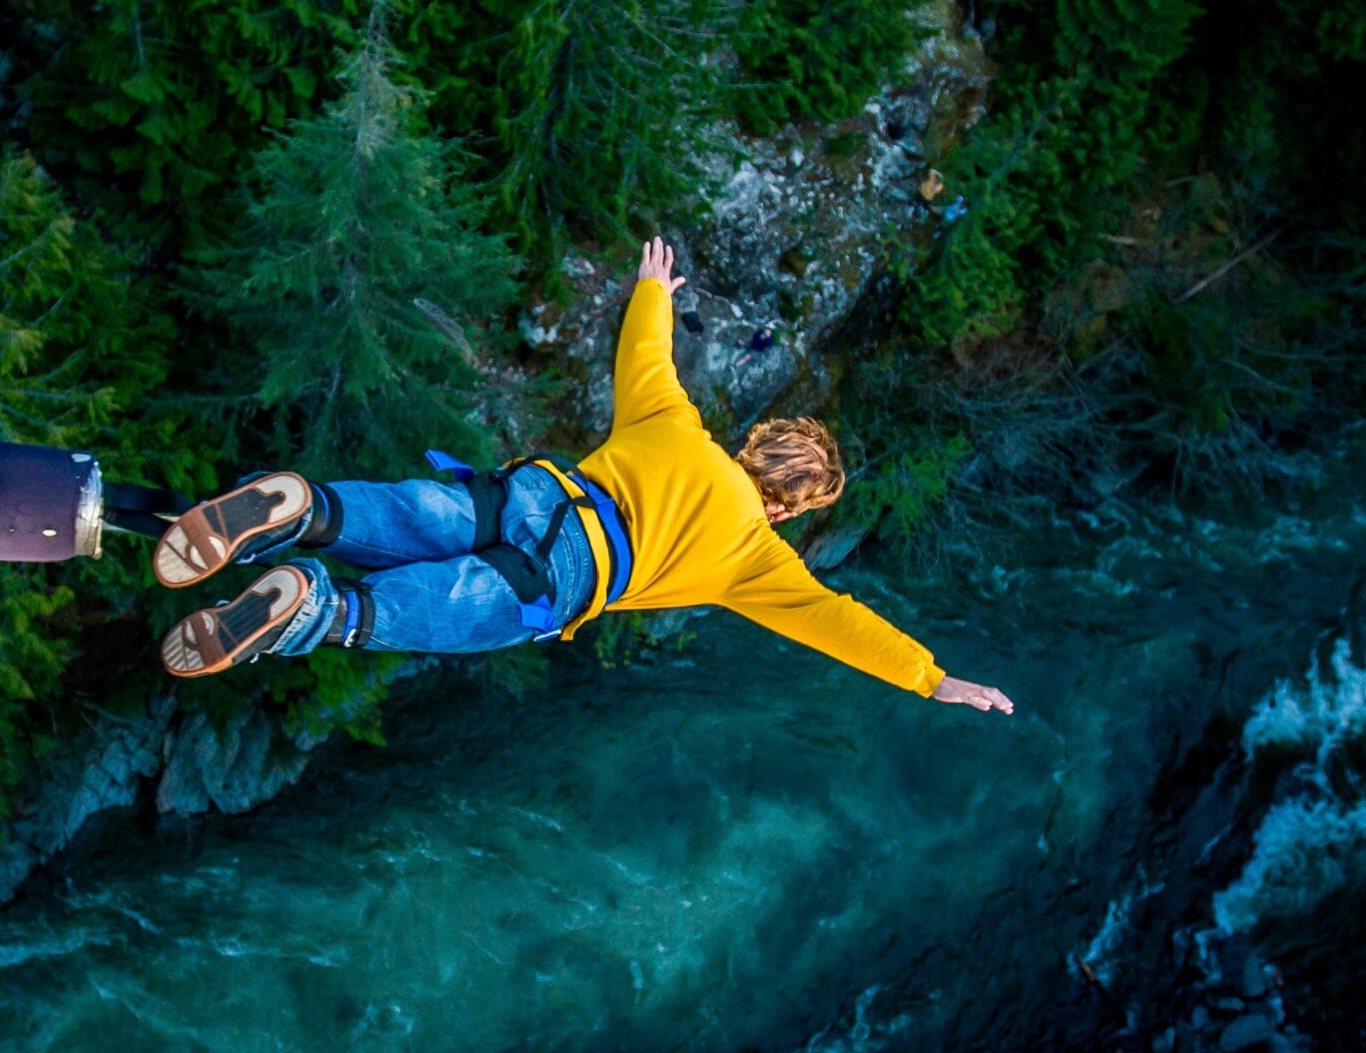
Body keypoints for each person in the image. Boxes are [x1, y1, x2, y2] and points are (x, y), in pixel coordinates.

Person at [151, 237, 1014, 716]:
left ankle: (304, 507)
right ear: (787, 507)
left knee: (420, 514)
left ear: (753, 443)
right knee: (415, 611)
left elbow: (647, 353)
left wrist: (654, 289)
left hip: (536, 494)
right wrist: (932, 678)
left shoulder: (674, 423)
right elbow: (837, 623)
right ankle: (312, 604)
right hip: (570, 576)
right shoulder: (757, 558)